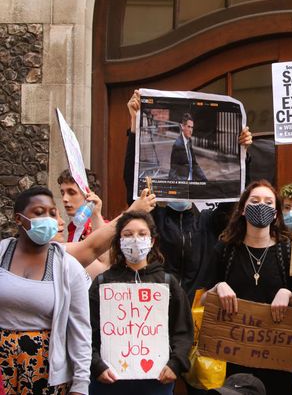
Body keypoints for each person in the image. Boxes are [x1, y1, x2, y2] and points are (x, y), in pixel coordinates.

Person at [125, 90, 252, 302]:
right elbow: (133, 188)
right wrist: (134, 128)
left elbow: (235, 197)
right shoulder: (155, 220)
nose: (191, 131)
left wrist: (243, 157)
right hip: (160, 313)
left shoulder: (209, 222)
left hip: (199, 316)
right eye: (189, 127)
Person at [202, 180, 292, 394]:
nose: (262, 206)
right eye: (255, 201)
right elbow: (202, 300)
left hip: (276, 359)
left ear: (276, 214)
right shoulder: (225, 250)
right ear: (242, 209)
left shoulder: (288, 251)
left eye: (269, 203)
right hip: (232, 359)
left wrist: (288, 294)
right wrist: (217, 288)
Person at [89, 211, 193, 395]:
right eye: (127, 235)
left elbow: (182, 330)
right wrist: (96, 365)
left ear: (152, 240)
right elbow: (87, 330)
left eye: (142, 234)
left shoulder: (167, 283)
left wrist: (175, 364)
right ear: (119, 241)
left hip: (157, 381)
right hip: (109, 381)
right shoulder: (103, 283)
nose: (135, 240)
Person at [0, 186, 91, 394]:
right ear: (18, 219)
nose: (48, 219)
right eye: (39, 213)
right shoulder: (2, 254)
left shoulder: (68, 268)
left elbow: (80, 330)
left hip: (45, 371)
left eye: (52, 213)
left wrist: (80, 384)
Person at [57, 169, 110, 278]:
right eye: (62, 193)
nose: (65, 199)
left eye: (71, 193)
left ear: (89, 195)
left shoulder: (104, 226)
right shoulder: (72, 228)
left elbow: (106, 266)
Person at [169, 113, 208, 181]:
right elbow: (173, 172)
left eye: (192, 127)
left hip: (192, 180)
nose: (191, 130)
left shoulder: (189, 141)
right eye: (188, 127)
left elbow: (194, 164)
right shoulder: (177, 145)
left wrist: (205, 180)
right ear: (182, 126)